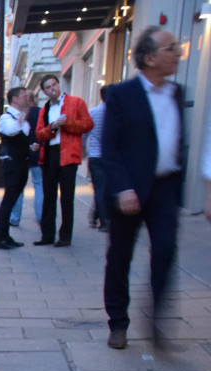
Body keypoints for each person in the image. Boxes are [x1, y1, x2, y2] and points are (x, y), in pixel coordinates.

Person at [101, 26, 183, 349]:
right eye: (170, 48)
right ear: (149, 58)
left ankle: (158, 322)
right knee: (120, 257)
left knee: (164, 251)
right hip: (129, 191)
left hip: (165, 188)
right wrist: (122, 188)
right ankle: (118, 323)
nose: (177, 53)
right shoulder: (122, 94)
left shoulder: (177, 92)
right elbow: (110, 146)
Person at [34, 75, 93, 246]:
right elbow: (39, 134)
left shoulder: (76, 102)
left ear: (59, 85)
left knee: (67, 197)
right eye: (49, 87)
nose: (53, 88)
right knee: (49, 196)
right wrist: (52, 127)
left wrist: (67, 124)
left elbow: (88, 125)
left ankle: (65, 236)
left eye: (54, 84)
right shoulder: (44, 110)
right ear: (44, 91)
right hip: (50, 154)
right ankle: (47, 235)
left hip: (68, 155)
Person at [0, 86, 36, 249]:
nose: (27, 98)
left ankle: (5, 235)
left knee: (12, 201)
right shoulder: (6, 118)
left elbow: (22, 136)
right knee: (8, 201)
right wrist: (22, 118)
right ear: (15, 99)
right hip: (12, 165)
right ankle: (0, 238)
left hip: (21, 163)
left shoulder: (21, 117)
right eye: (24, 96)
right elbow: (11, 131)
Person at [10, 96, 44, 228]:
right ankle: (40, 216)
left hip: (22, 154)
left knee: (19, 187)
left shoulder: (22, 115)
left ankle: (14, 218)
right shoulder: (42, 112)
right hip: (37, 152)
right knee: (39, 184)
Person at [86, 85, 111, 231]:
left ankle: (96, 216)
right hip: (109, 157)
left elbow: (84, 133)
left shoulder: (93, 112)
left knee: (100, 188)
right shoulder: (115, 113)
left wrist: (82, 148)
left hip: (95, 156)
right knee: (105, 189)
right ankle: (104, 220)